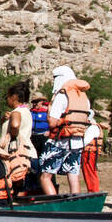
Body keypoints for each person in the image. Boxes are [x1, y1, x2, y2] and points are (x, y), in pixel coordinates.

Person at [38, 66, 91, 197]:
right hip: (77, 141)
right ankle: (76, 204)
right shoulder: (84, 98)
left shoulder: (62, 96)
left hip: (60, 141)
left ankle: (54, 205)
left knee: (45, 176)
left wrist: (51, 114)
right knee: (73, 175)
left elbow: (52, 123)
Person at [0, 79, 34, 195]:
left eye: (8, 96)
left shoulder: (16, 112)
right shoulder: (26, 111)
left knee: (17, 191)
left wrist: (12, 135)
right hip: (27, 153)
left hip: (18, 157)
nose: (7, 99)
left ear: (14, 97)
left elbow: (15, 126)